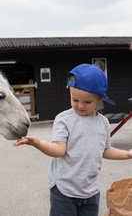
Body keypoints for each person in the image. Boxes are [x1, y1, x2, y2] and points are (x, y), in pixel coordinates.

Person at [13, 63, 132, 216]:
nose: (80, 106)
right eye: (75, 100)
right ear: (69, 91)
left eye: (87, 102)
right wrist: (38, 143)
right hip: (64, 190)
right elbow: (59, 150)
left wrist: (127, 154)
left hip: (91, 191)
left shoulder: (103, 122)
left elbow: (104, 150)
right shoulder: (64, 120)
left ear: (99, 98)